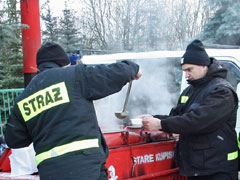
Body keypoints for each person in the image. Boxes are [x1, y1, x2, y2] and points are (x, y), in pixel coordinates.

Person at [5, 42, 142, 180]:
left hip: (50, 173)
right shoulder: (74, 75)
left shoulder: (24, 98)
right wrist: (134, 69)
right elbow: (114, 73)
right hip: (86, 167)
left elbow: (14, 140)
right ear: (64, 64)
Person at [139, 39, 239, 180]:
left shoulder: (221, 91)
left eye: (189, 69)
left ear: (203, 66)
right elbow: (178, 115)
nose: (186, 74)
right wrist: (153, 118)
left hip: (217, 169)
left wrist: (160, 124)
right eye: (184, 70)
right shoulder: (190, 90)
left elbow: (198, 120)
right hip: (198, 167)